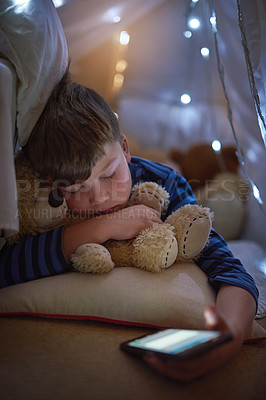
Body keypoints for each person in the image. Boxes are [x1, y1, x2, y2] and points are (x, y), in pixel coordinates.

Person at [0, 70, 258, 382]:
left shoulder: (163, 183)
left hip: (165, 172)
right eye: (75, 189)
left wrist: (227, 338)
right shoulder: (43, 201)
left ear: (124, 148)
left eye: (109, 175)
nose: (100, 197)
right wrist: (103, 226)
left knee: (206, 200)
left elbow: (229, 269)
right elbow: (7, 267)